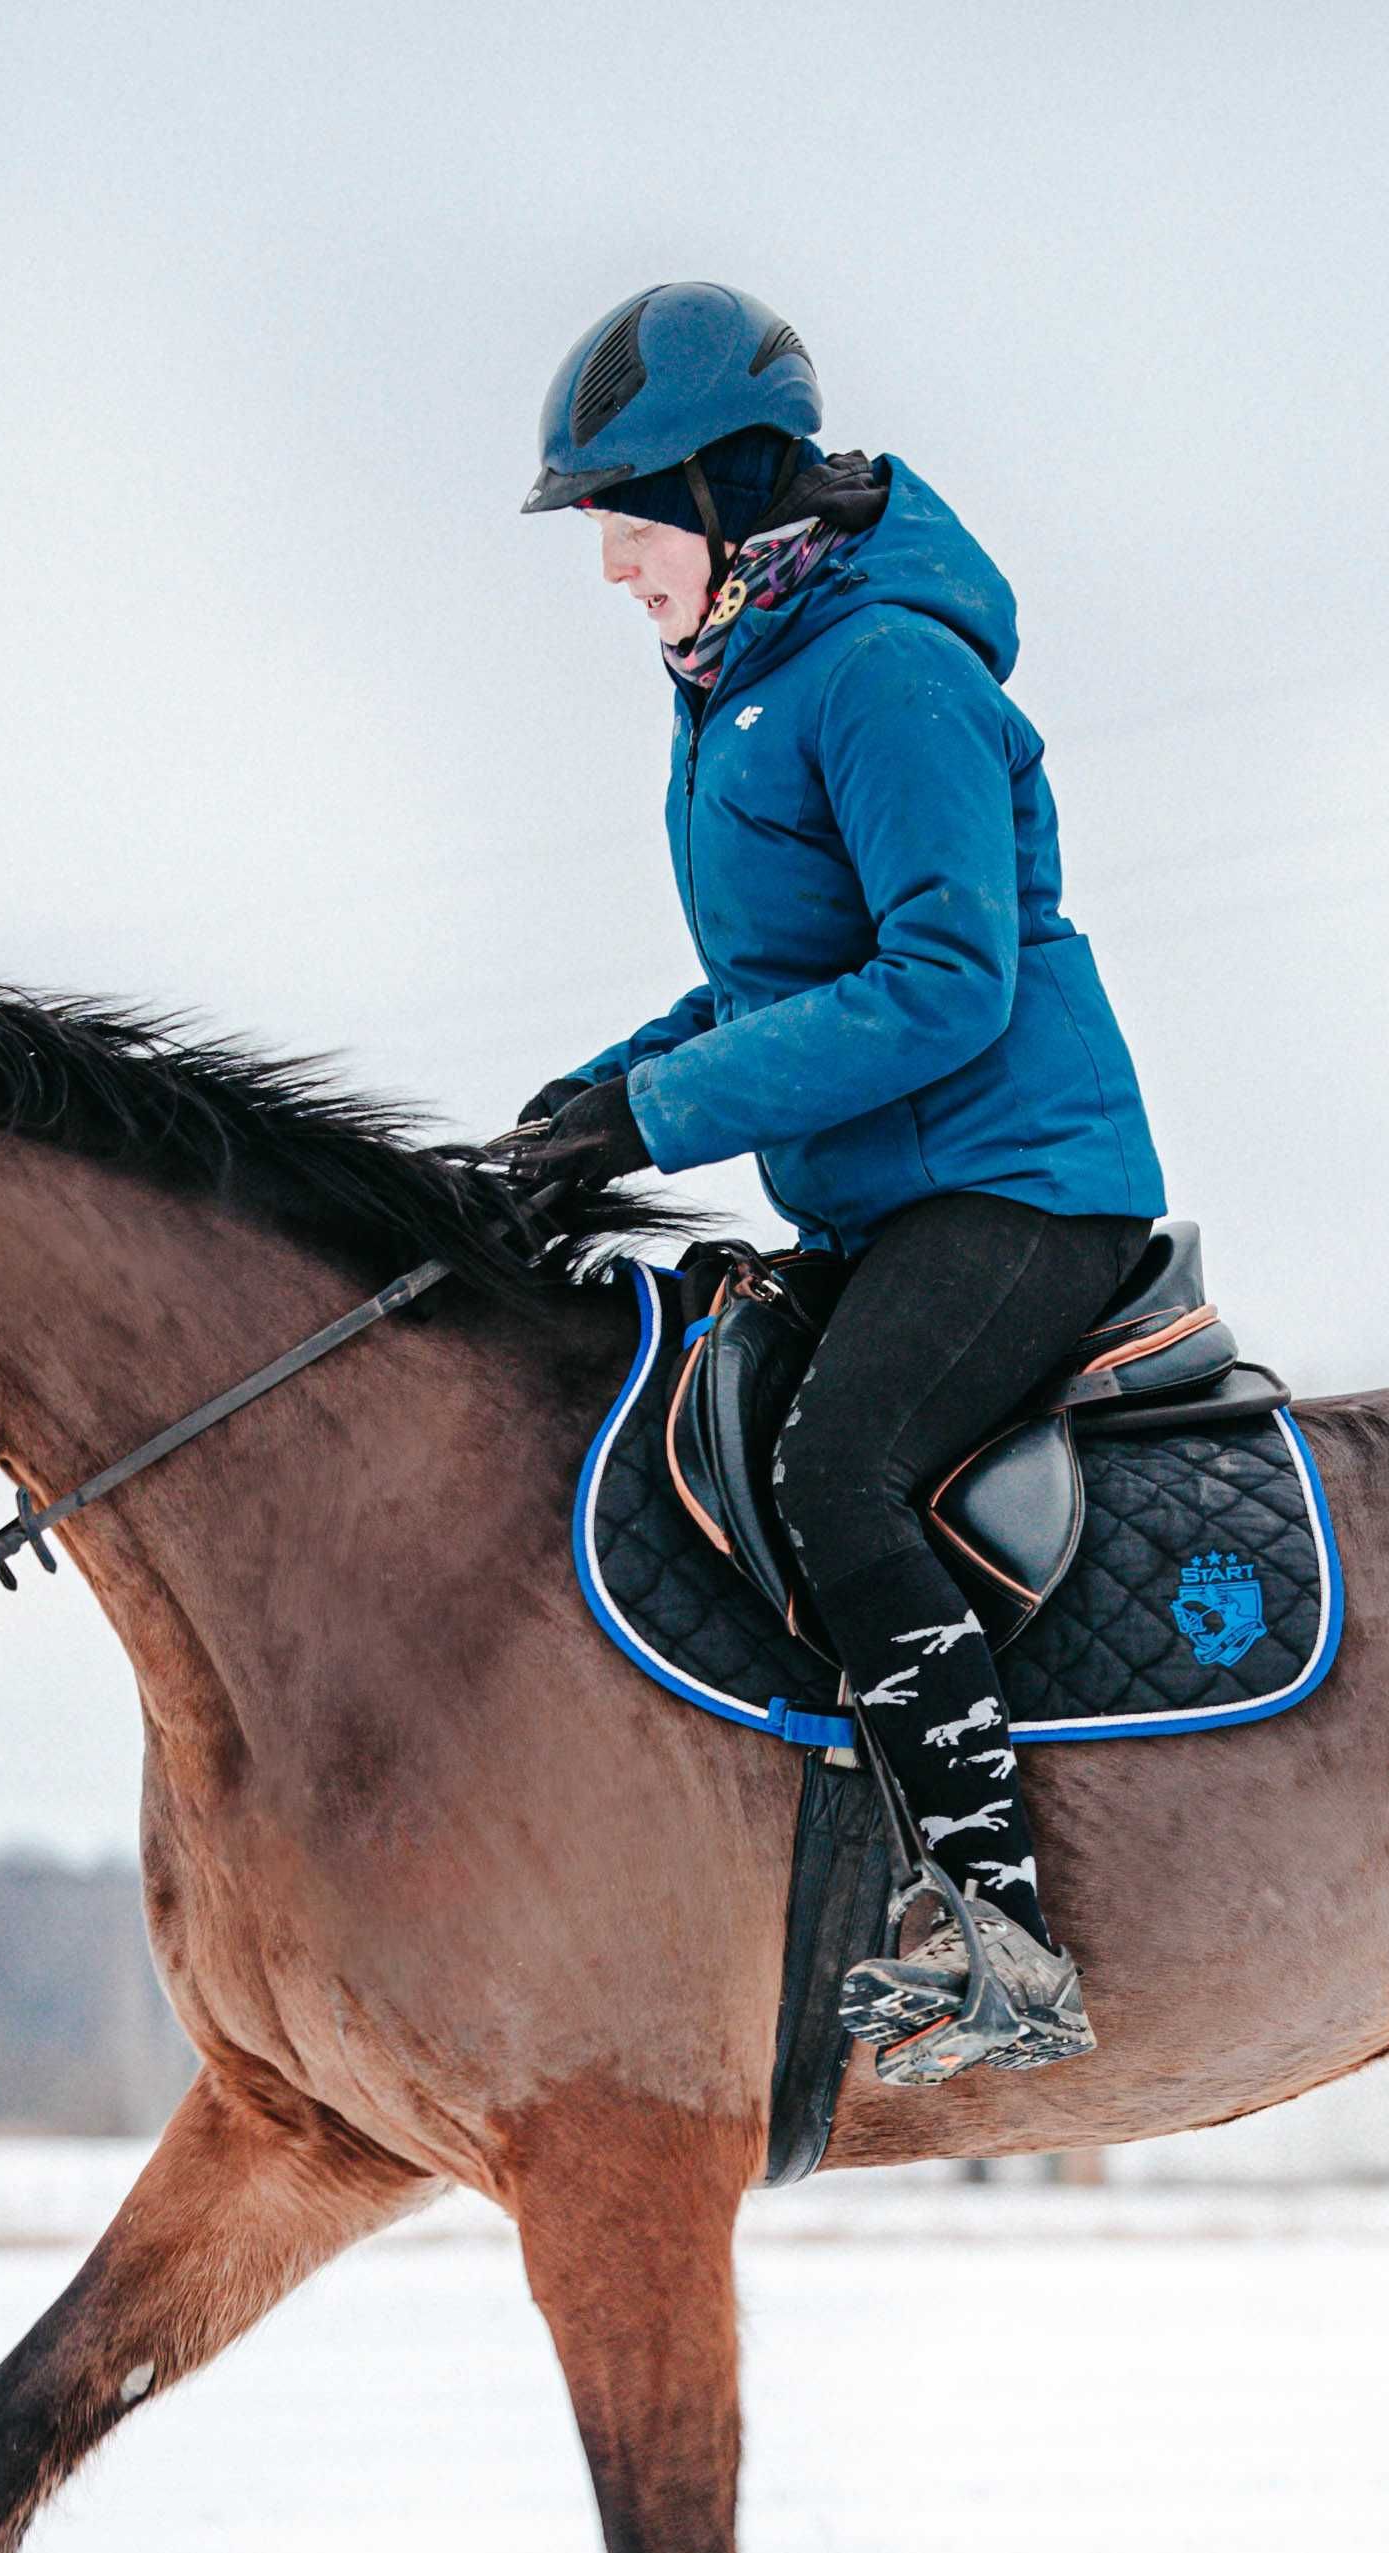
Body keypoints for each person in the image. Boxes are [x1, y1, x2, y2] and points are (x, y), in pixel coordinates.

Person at [487, 281, 1170, 2086]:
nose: (615, 571)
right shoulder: (742, 687)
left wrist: (657, 1122)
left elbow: (949, 979)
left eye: (628, 523)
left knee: (837, 1466)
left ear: (723, 492)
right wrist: (594, 1096)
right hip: (888, 1202)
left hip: (1027, 1185)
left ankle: (1007, 1937)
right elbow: (780, 983)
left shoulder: (882, 672)